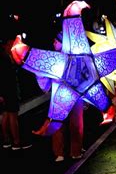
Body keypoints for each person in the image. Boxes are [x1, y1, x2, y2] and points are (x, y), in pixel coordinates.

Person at [33, 31, 85, 162]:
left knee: (68, 124)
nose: (53, 43)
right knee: (65, 124)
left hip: (69, 97)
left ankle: (69, 151)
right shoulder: (57, 58)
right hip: (65, 97)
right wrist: (39, 73)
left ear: (63, 43)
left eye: (56, 41)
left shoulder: (74, 58)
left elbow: (83, 76)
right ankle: (70, 151)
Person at [0, 32, 31, 150]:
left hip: (6, 91)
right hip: (9, 90)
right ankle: (16, 142)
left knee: (6, 115)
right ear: (7, 45)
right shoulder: (5, 59)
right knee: (12, 115)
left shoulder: (6, 57)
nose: (13, 47)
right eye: (12, 44)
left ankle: (7, 140)